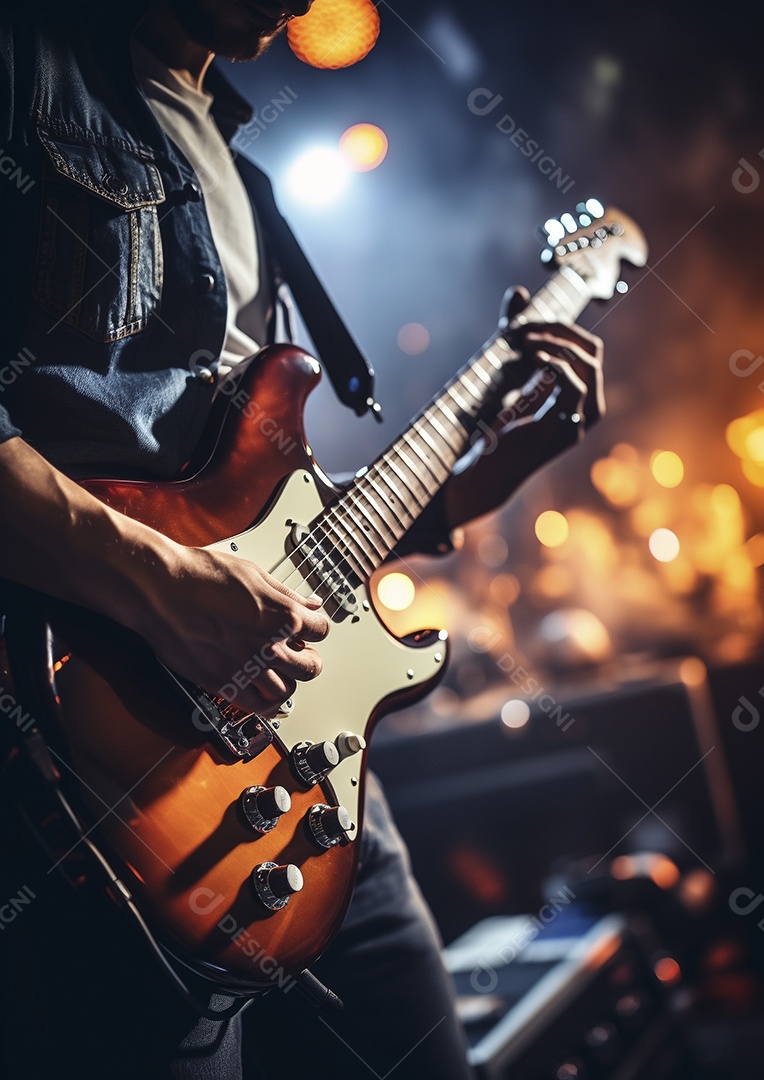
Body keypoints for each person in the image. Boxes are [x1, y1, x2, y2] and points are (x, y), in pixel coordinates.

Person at [0, 2, 604, 1077]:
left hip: (310, 782)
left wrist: (490, 471)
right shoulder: (27, 60)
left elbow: (285, 535)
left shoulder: (242, 163)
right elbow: (193, 561)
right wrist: (156, 583)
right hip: (89, 781)